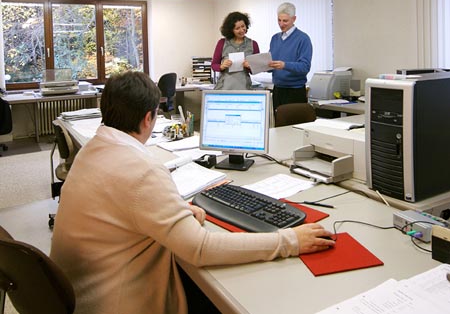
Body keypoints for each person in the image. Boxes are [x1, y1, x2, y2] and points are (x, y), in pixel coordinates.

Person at [50, 71, 334, 314]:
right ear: (150, 117)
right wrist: (289, 240)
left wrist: (175, 211)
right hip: (116, 302)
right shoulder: (141, 170)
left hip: (81, 294)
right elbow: (200, 250)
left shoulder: (93, 150)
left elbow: (122, 208)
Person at [269, 2, 313, 113]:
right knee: (277, 126)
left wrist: (285, 65)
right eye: (279, 20)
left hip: (295, 92)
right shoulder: (275, 38)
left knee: (293, 127)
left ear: (294, 19)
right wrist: (259, 65)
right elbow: (271, 64)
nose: (281, 24)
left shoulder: (303, 39)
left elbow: (305, 67)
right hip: (277, 90)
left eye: (285, 21)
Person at [212, 11, 260, 90]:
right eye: (237, 28)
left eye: (243, 26)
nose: (241, 30)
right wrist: (222, 66)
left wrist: (250, 66)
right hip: (224, 87)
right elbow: (214, 65)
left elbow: (256, 69)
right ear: (231, 30)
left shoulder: (253, 44)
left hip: (244, 87)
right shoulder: (222, 43)